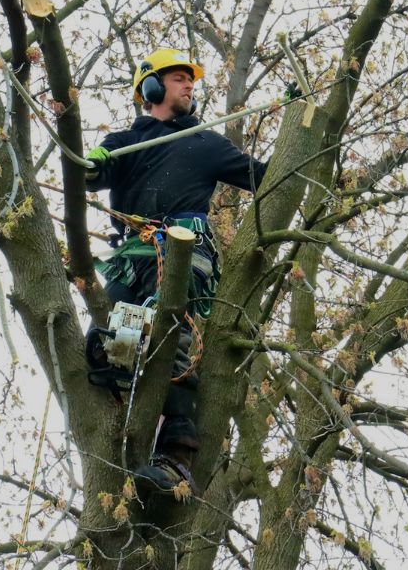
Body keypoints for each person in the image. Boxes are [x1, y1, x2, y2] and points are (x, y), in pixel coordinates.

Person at [84, 48, 268, 498]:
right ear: (151, 88)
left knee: (171, 334)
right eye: (180, 78)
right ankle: (123, 446)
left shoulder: (204, 143)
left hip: (184, 248)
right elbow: (92, 174)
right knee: (107, 345)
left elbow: (263, 176)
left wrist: (300, 119)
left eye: (191, 80)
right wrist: (93, 161)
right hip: (132, 255)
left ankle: (176, 456)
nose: (189, 85)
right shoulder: (126, 141)